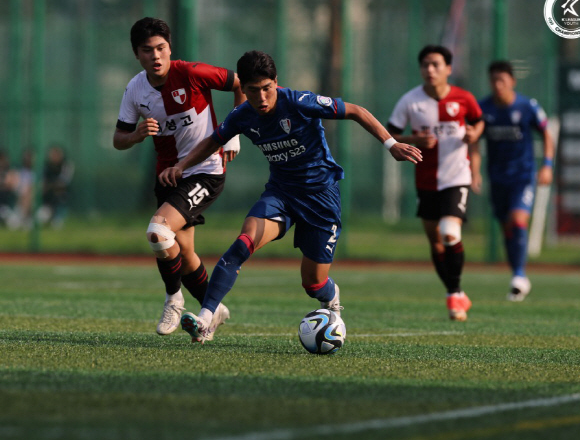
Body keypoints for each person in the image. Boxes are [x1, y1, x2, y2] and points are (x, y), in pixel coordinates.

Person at [159, 50, 422, 343]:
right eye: (252, 90)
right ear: (242, 89)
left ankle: (331, 298)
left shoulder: (298, 102)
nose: (261, 97)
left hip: (321, 197)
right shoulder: (243, 116)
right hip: (281, 194)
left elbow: (356, 111)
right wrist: (182, 166)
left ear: (276, 82)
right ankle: (206, 319)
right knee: (243, 242)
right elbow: (213, 141)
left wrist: (392, 144)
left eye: (266, 88)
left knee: (312, 282)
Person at [113, 17, 246, 337]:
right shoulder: (135, 89)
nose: (155, 56)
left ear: (170, 48)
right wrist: (137, 136)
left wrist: (232, 133)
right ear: (137, 54)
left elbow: (241, 82)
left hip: (206, 170)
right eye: (147, 51)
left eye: (161, 48)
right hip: (170, 177)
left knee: (158, 231)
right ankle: (211, 314)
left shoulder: (191, 73)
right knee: (183, 254)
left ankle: (174, 299)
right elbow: (119, 138)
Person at [387, 45, 484, 321]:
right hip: (426, 181)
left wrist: (474, 133)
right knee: (436, 244)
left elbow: (479, 123)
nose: (430, 70)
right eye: (425, 65)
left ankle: (453, 295)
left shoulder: (464, 98)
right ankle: (456, 292)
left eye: (436, 64)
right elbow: (390, 134)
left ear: (448, 69)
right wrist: (415, 140)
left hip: (457, 178)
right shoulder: (410, 101)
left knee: (450, 232)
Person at [471, 60, 554, 301]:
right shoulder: (482, 108)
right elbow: (474, 142)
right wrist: (474, 171)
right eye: (494, 81)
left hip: (523, 176)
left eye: (502, 81)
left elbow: (547, 134)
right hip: (497, 178)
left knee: (518, 221)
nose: (498, 85)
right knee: (507, 227)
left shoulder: (527, 107)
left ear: (512, 82)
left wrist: (547, 166)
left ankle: (519, 274)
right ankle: (518, 275)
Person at [38, 145, 74, 229]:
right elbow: (42, 182)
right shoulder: (47, 166)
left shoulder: (66, 165)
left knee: (60, 192)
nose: (53, 157)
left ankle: (58, 217)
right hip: (48, 192)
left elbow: (63, 182)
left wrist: (50, 185)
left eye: (55, 154)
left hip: (61, 191)